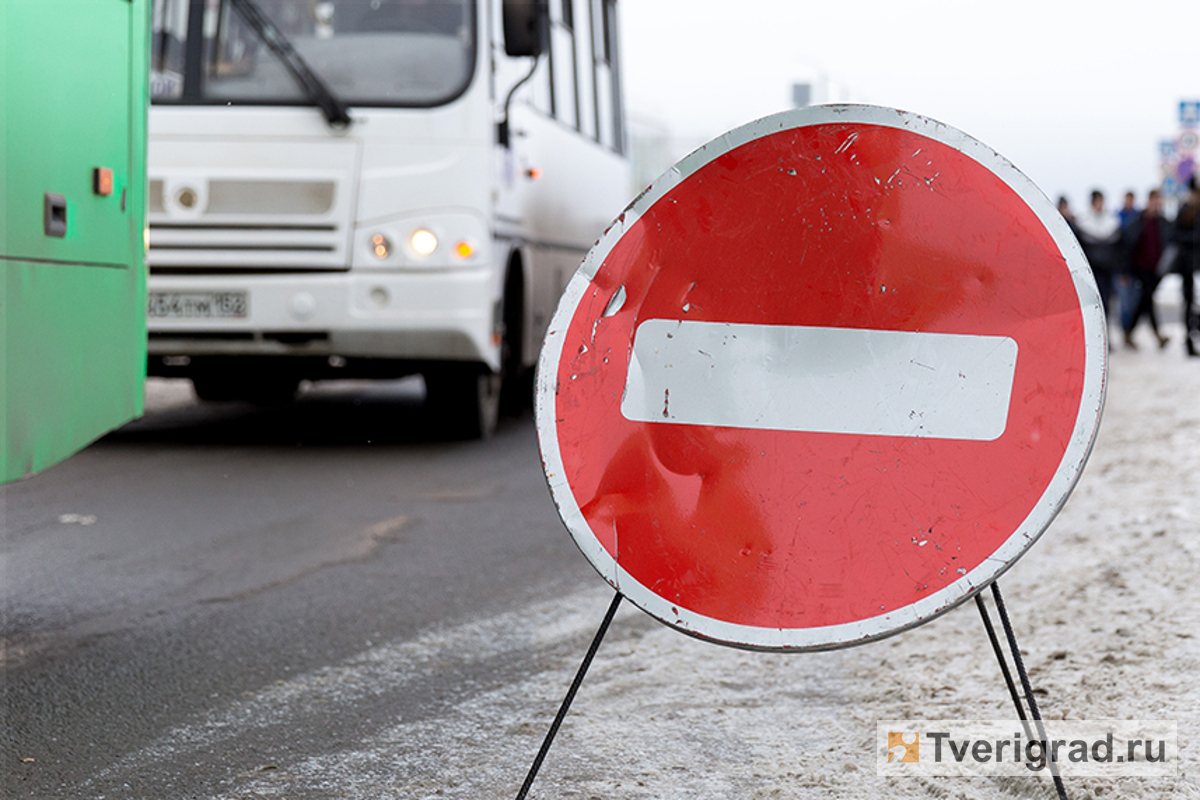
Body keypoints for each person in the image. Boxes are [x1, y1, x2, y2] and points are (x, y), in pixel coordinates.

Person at [1120, 190, 1170, 349]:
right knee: (1147, 298)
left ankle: (1128, 332)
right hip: (1141, 267)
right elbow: (1128, 247)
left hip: (1157, 268)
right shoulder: (1139, 221)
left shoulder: (1163, 222)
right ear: (1149, 201)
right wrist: (1126, 270)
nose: (1157, 204)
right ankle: (1157, 335)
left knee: (1144, 300)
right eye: (1155, 201)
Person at [1075, 190, 1121, 327]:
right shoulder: (1083, 222)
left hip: (1107, 270)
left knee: (1106, 303)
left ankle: (1105, 332)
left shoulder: (1111, 222)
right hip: (1090, 271)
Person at [1172, 175, 1199, 357]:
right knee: (1189, 303)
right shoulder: (1185, 210)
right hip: (1188, 266)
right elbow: (1175, 236)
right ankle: (1189, 340)